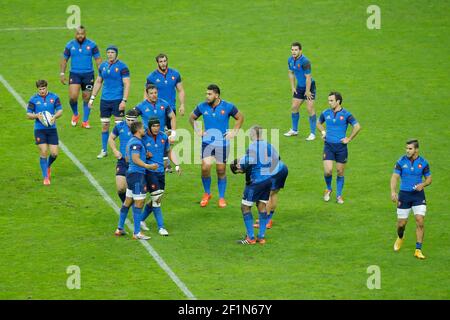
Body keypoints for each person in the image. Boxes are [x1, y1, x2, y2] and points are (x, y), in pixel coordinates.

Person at [189, 84, 244, 208]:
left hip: (222, 143)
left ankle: (221, 197)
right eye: (206, 94)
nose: (207, 96)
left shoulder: (228, 106)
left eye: (209, 94)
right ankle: (207, 193)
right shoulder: (202, 106)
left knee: (221, 170)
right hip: (207, 143)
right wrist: (199, 130)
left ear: (217, 95)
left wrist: (234, 132)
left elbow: (240, 117)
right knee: (205, 167)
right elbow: (191, 118)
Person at [230, 126, 282, 245]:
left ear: (253, 134)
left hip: (255, 182)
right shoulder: (269, 146)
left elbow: (246, 164)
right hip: (268, 180)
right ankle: (261, 237)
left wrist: (240, 167)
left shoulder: (252, 147)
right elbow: (277, 159)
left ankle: (251, 238)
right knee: (261, 206)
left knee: (245, 207)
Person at [316, 92, 361, 204]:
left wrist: (349, 138)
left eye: (331, 100)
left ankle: (339, 195)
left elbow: (357, 126)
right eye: (329, 100)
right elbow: (318, 123)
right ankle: (328, 188)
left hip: (341, 148)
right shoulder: (325, 113)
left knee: (340, 171)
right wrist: (323, 132)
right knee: (328, 171)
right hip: (329, 146)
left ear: (338, 101)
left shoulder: (346, 114)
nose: (329, 102)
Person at [114, 121, 157, 240]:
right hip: (137, 176)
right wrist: (149, 166)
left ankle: (120, 228)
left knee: (128, 201)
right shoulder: (136, 143)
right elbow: (134, 158)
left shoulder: (131, 142)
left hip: (131, 175)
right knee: (139, 203)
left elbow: (128, 159)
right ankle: (137, 232)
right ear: (138, 130)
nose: (145, 129)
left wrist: (144, 156)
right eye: (143, 128)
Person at [390, 139, 432, 260]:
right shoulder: (400, 161)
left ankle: (418, 249)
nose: (407, 151)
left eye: (410, 148)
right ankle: (400, 237)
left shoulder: (423, 163)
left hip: (418, 196)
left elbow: (429, 179)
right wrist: (393, 191)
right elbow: (394, 177)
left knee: (420, 221)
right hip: (404, 196)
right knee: (401, 224)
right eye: (406, 148)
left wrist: (423, 185)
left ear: (416, 150)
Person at [140, 117, 181, 236]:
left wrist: (177, 164)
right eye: (154, 126)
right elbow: (137, 153)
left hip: (160, 172)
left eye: (158, 126)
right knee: (157, 198)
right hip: (149, 171)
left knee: (156, 197)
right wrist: (145, 155)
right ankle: (161, 227)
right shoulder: (143, 137)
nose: (156, 128)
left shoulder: (163, 137)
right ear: (149, 127)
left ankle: (141, 220)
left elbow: (168, 151)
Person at [89, 45, 130, 159]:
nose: (110, 54)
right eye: (108, 52)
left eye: (112, 52)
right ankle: (104, 150)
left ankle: (122, 150)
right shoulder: (103, 66)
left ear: (116, 54)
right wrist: (92, 98)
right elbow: (98, 81)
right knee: (105, 125)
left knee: (120, 126)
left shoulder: (122, 67)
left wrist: (124, 100)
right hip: (105, 100)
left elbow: (127, 84)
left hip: (117, 100)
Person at [60, 25, 101, 128]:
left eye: (82, 34)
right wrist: (62, 73)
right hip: (75, 74)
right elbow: (64, 59)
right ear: (75, 34)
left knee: (86, 97)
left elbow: (98, 60)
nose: (80, 36)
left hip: (88, 74)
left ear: (85, 34)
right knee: (73, 97)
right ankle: (75, 114)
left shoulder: (92, 45)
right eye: (78, 34)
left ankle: (85, 121)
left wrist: (101, 74)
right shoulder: (70, 45)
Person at [26, 80, 63, 185]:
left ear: (47, 87)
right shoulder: (33, 99)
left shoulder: (54, 97)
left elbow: (60, 110)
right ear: (37, 89)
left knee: (54, 153)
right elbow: (28, 114)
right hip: (39, 130)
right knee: (43, 151)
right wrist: (37, 116)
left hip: (52, 129)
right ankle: (46, 177)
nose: (42, 91)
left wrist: (54, 116)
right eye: (40, 89)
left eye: (43, 88)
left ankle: (48, 165)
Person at [284, 42, 317, 141]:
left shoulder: (305, 61)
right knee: (294, 107)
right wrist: (293, 87)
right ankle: (294, 130)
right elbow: (291, 73)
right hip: (299, 87)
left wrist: (307, 91)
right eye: (292, 50)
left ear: (300, 51)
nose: (294, 52)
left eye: (296, 50)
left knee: (309, 108)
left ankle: (312, 133)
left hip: (309, 87)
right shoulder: (290, 60)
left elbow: (308, 77)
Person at [108, 109, 139, 204]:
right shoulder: (119, 126)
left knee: (136, 191)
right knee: (121, 188)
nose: (130, 122)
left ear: (137, 120)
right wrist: (115, 150)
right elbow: (111, 138)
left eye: (132, 120)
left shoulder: (142, 129)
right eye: (128, 120)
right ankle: (127, 204)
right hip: (122, 161)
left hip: (137, 163)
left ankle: (135, 211)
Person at [144, 53, 186, 119]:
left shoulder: (175, 74)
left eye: (164, 61)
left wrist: (182, 105)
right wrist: (146, 108)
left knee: (172, 129)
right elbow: (146, 94)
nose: (163, 63)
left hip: (171, 108)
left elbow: (180, 90)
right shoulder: (152, 77)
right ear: (157, 63)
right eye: (161, 61)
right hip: (157, 109)